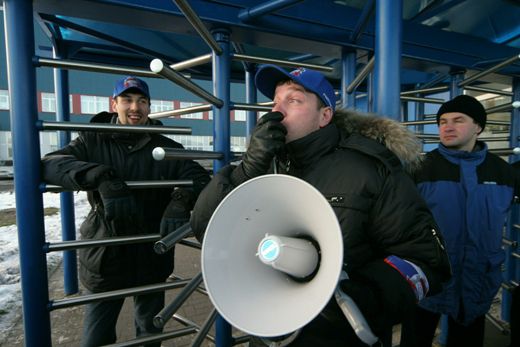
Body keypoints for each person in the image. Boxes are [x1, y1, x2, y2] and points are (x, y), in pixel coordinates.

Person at [190, 65, 451, 346]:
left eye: (294, 100)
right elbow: (207, 230)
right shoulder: (260, 166)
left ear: (324, 116)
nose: (276, 112)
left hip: (342, 336)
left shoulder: (369, 169)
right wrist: (246, 171)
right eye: (274, 102)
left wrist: (362, 298)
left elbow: (425, 261)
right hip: (273, 331)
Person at [41, 76, 211, 347]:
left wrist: (181, 200)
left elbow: (202, 178)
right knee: (97, 336)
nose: (135, 107)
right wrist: (101, 177)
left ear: (149, 107)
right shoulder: (91, 142)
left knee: (150, 330)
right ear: (114, 104)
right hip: (106, 253)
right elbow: (51, 164)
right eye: (128, 100)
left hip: (151, 251)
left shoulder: (166, 148)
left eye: (142, 101)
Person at [403, 94, 520, 347]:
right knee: (415, 340)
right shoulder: (419, 168)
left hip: (476, 280)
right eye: (442, 121)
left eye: (458, 120)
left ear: (478, 126)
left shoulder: (504, 173)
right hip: (428, 279)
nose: (447, 126)